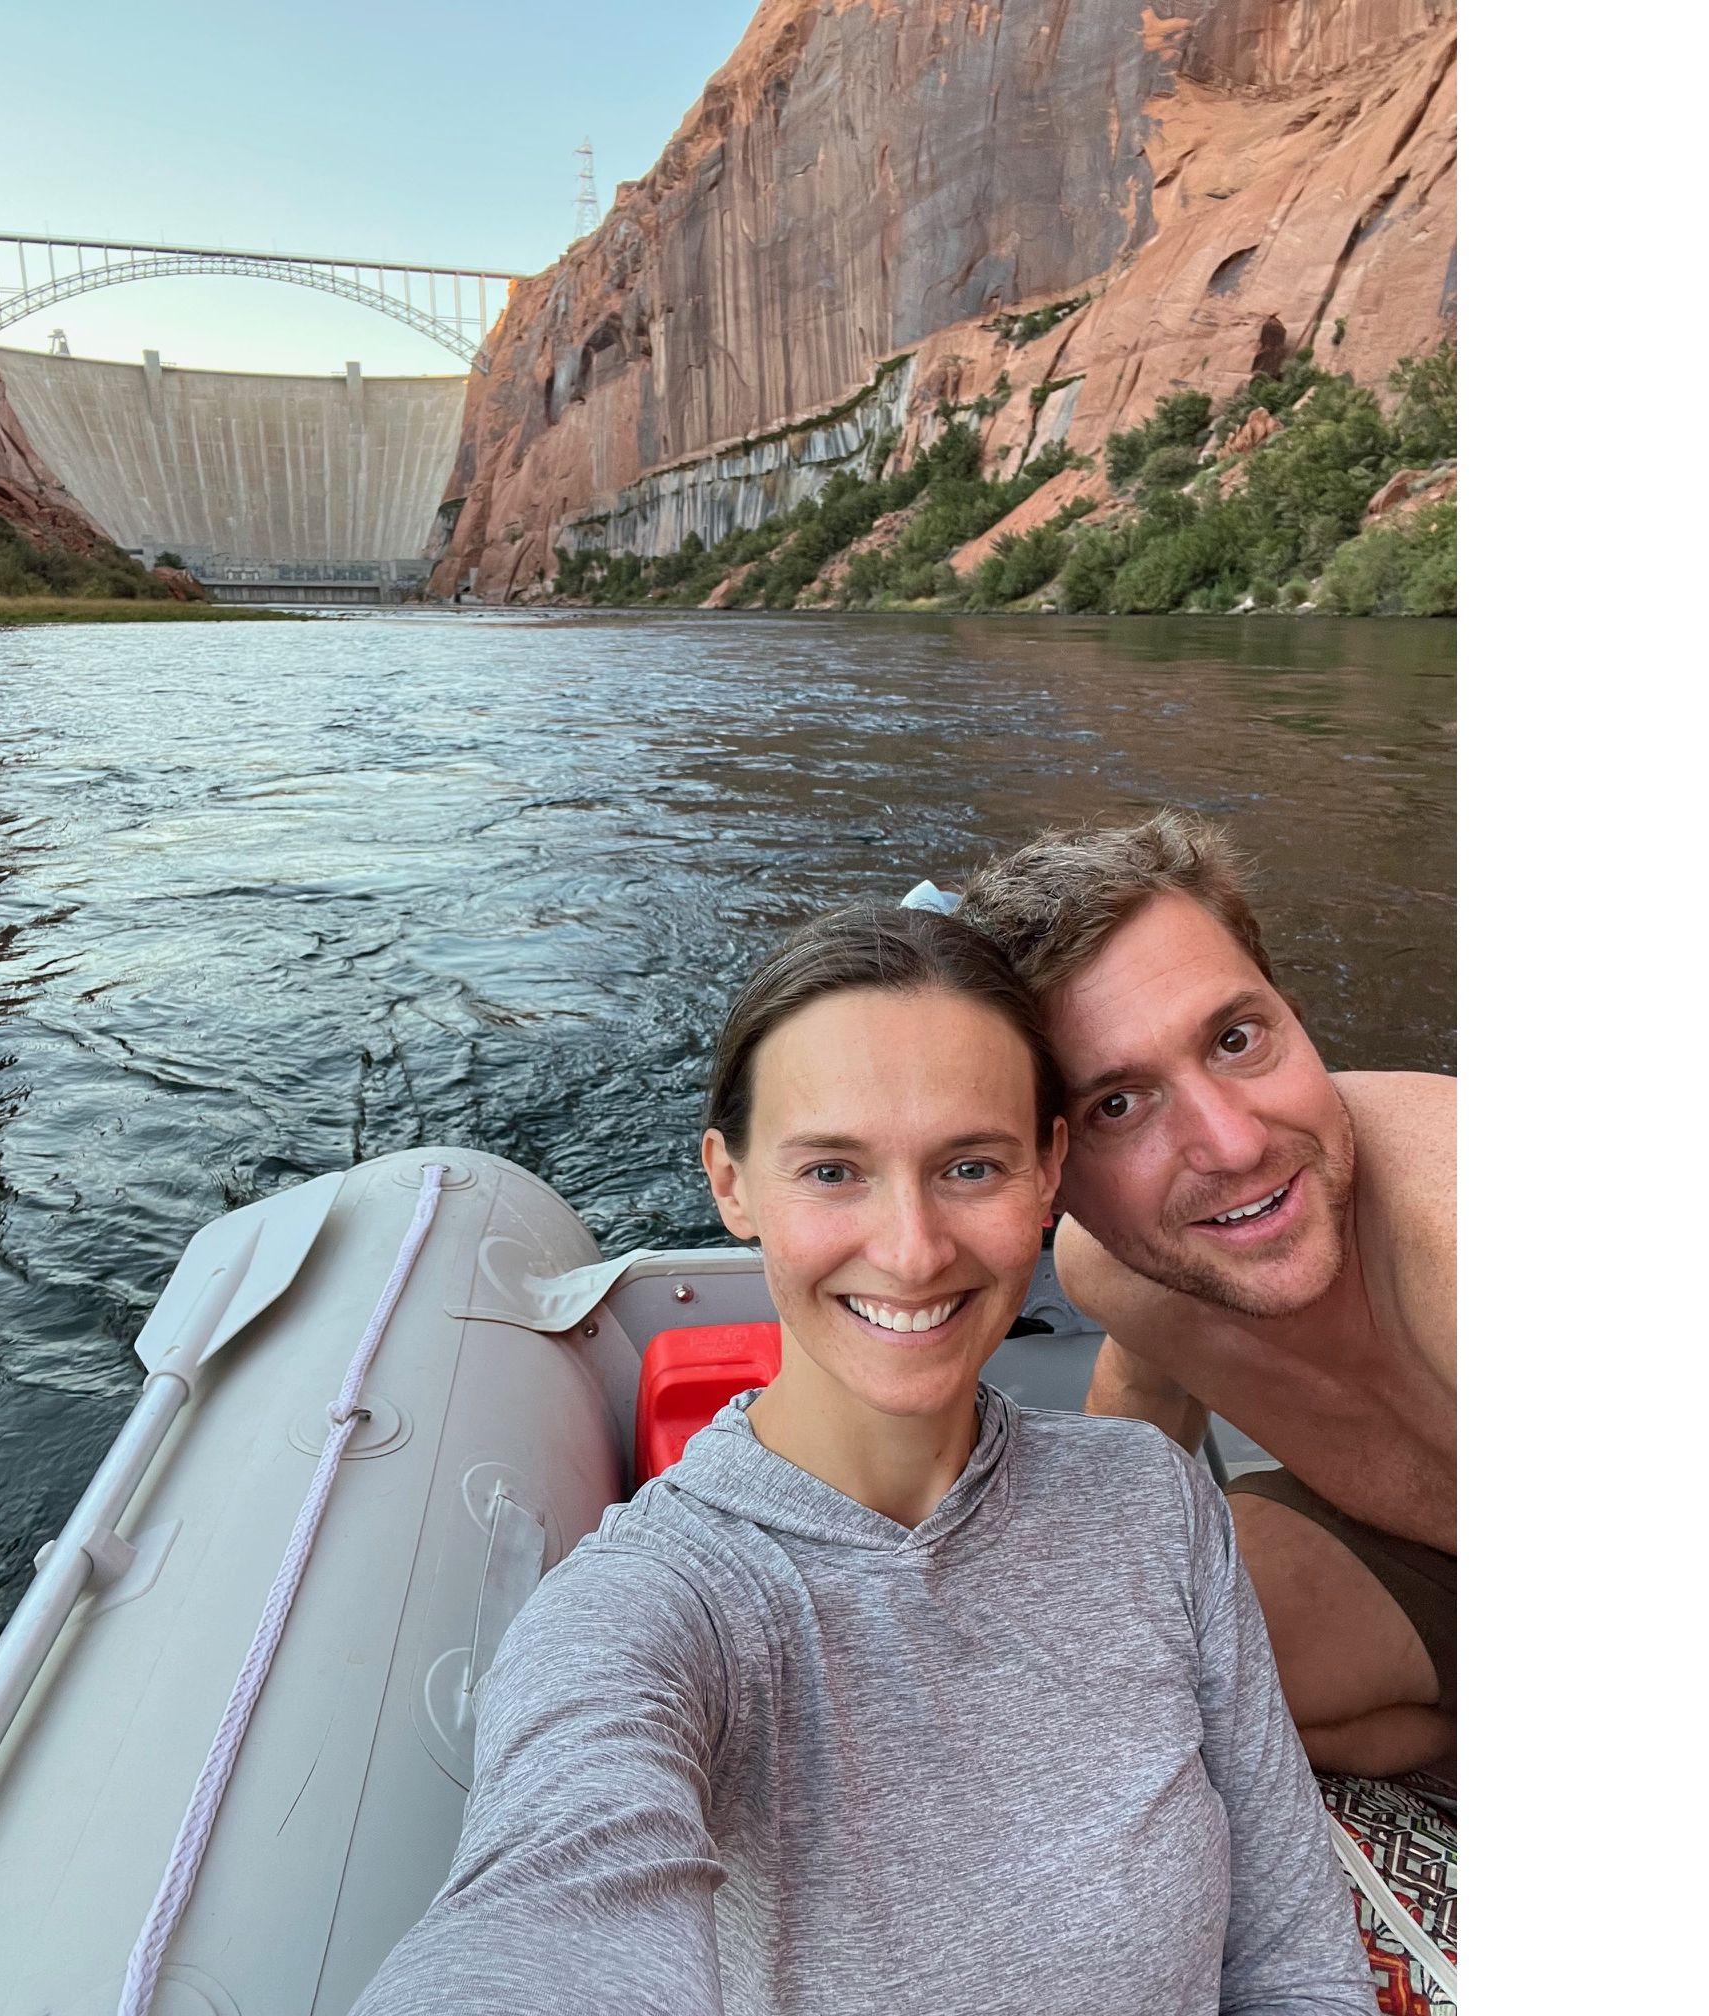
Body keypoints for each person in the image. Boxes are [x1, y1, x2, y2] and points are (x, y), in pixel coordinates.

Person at [354, 905, 1373, 2015]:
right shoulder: (650, 1608)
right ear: (731, 1183)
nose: (911, 1249)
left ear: (1049, 1172)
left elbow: (1294, 1962)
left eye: (971, 1167)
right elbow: (550, 1907)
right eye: (834, 1171)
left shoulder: (1151, 1500)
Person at [959, 811, 1455, 1780]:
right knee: (1118, 1683)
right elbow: (1144, 1398)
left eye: (1235, 1038)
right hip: (1412, 1555)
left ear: (1292, 1013)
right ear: (1048, 1163)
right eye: (1117, 1104)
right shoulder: (1119, 1272)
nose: (1233, 1145)